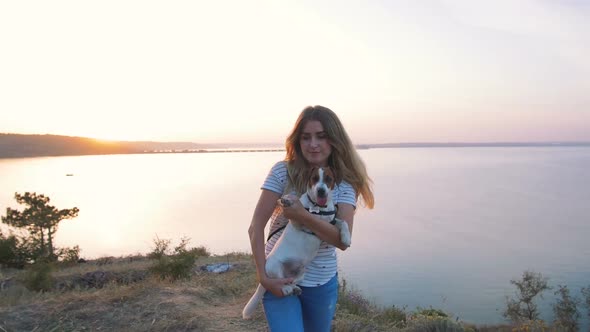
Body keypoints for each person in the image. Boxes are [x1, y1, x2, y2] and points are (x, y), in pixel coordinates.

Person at [247, 105, 375, 331]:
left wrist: (302, 216)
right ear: (297, 141)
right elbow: (255, 227)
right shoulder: (281, 172)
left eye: (321, 137)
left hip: (320, 282)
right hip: (277, 276)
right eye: (306, 137)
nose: (313, 144)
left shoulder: (344, 184)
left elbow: (342, 240)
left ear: (334, 140)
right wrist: (263, 277)